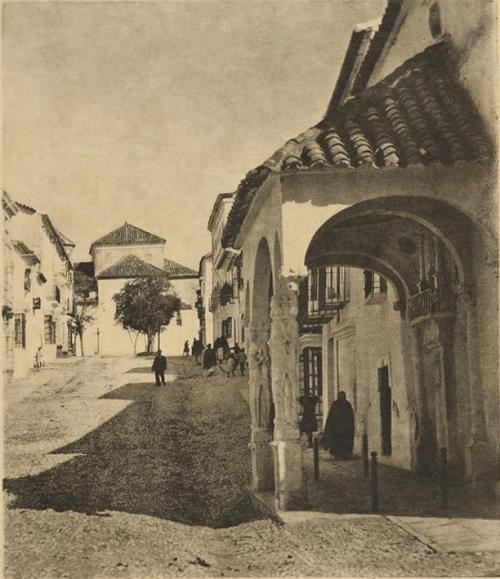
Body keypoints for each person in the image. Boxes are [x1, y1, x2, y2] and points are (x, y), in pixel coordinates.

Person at [322, 391, 355, 459]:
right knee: (337, 441)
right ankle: (337, 454)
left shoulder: (347, 404)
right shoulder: (335, 404)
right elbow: (331, 416)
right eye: (340, 396)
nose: (342, 397)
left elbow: (351, 416)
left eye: (343, 396)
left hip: (346, 427)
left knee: (346, 440)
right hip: (336, 427)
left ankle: (345, 454)